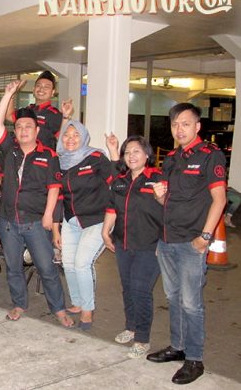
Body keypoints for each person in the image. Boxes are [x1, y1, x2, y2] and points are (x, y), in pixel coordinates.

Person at [148, 103, 227, 385]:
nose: (179, 129)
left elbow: (220, 199)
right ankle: (178, 346)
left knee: (192, 303)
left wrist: (204, 237)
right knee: (173, 297)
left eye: (185, 123)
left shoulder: (210, 155)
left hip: (192, 242)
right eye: (174, 124)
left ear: (197, 126)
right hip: (167, 240)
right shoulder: (171, 158)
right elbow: (166, 200)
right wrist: (159, 196)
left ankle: (194, 359)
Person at [0, 80, 73, 327]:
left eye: (28, 126)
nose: (23, 130)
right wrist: (8, 94)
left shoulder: (48, 155)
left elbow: (54, 187)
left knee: (47, 268)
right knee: (13, 267)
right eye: (19, 127)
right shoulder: (10, 149)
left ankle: (59, 309)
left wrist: (49, 215)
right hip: (8, 222)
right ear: (15, 132)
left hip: (36, 222)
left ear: (37, 131)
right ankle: (19, 304)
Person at [102, 134, 163, 358]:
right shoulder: (121, 180)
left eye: (136, 151)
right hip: (123, 243)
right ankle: (131, 327)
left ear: (147, 154)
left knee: (141, 290)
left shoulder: (158, 178)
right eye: (127, 152)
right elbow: (112, 207)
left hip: (149, 245)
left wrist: (164, 241)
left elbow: (171, 210)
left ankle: (142, 339)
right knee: (127, 287)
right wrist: (105, 231)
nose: (131, 156)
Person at [52, 120, 112, 330]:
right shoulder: (60, 161)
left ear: (84, 137)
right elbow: (58, 196)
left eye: (76, 135)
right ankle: (77, 302)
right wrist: (56, 228)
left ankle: (88, 309)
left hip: (96, 219)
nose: (71, 139)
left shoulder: (96, 158)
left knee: (81, 263)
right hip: (71, 220)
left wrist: (114, 152)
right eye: (67, 135)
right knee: (68, 263)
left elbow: (115, 180)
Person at [6, 70, 74, 149]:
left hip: (43, 156)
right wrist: (12, 93)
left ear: (53, 92)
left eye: (46, 87)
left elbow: (63, 140)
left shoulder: (55, 115)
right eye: (39, 86)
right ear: (33, 89)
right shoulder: (28, 110)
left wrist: (65, 116)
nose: (41, 89)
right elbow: (9, 116)